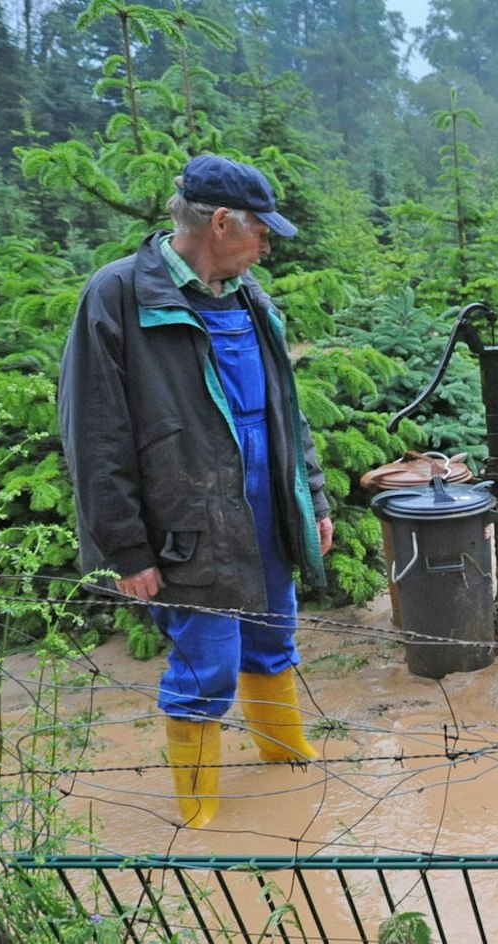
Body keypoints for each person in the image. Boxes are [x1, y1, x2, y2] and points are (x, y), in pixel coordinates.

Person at [59, 153, 334, 829]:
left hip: (268, 516)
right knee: (205, 665)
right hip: (188, 527)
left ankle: (285, 756)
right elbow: (93, 434)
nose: (267, 244)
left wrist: (314, 500)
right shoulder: (119, 296)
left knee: (275, 637)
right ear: (219, 222)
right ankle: (203, 811)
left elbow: (286, 411)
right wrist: (125, 548)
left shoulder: (251, 297)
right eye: (259, 230)